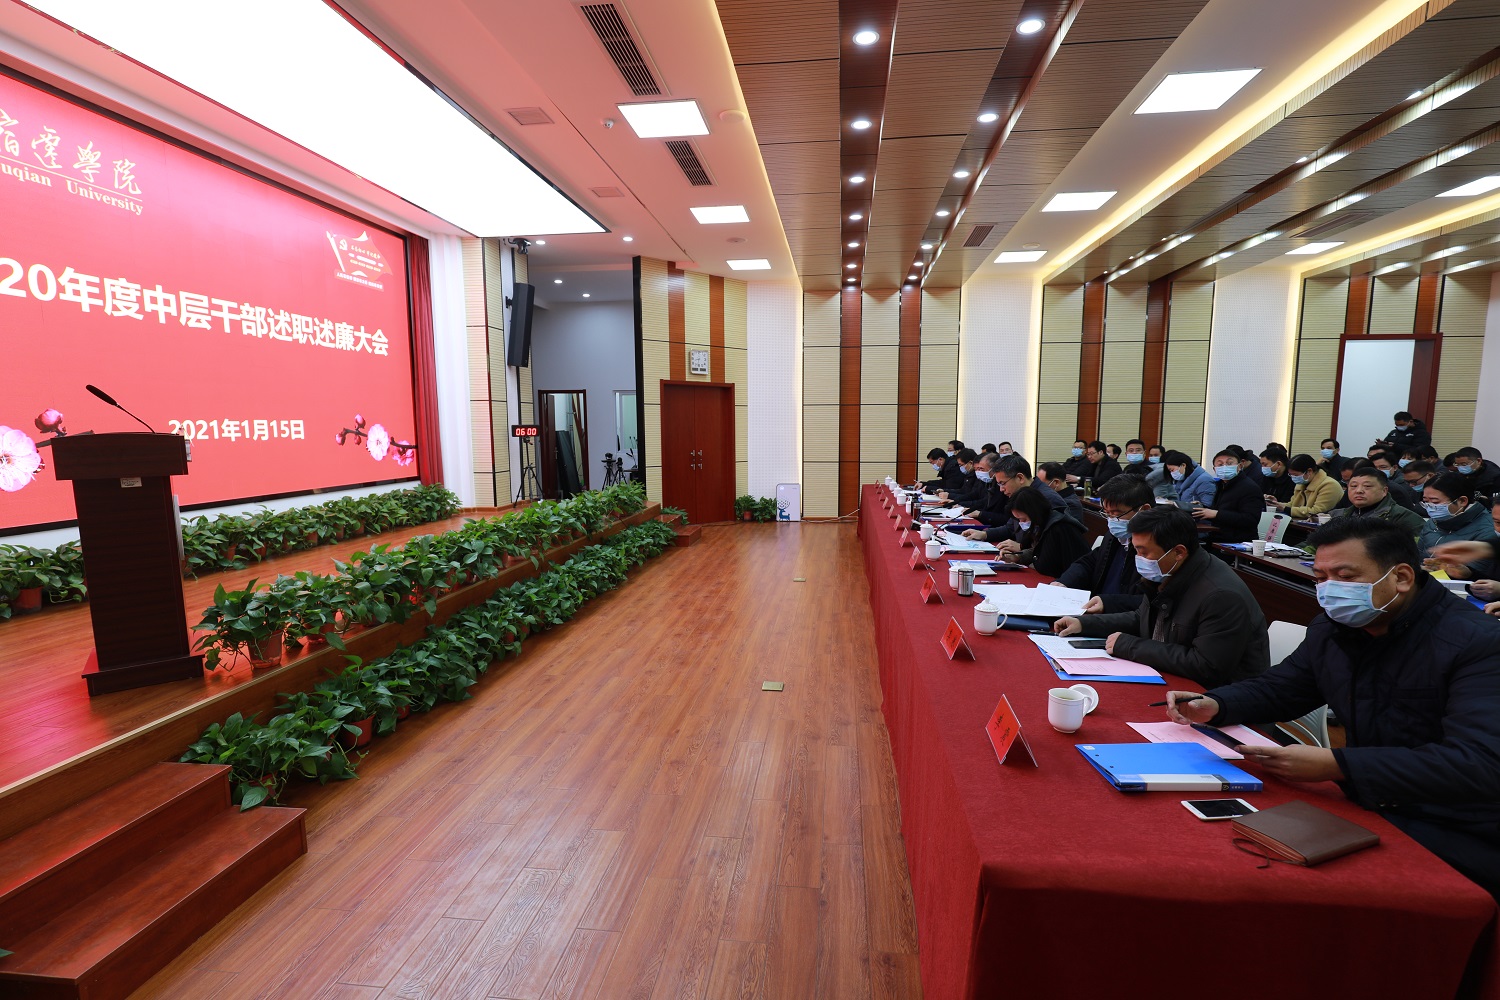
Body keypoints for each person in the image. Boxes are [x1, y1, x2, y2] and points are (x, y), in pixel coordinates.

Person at [1165, 517, 1500, 898]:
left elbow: (1480, 764)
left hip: (1456, 827)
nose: (1329, 590)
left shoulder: (1479, 644)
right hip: (1367, 801)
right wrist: (1217, 704)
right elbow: (1285, 687)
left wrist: (1338, 765)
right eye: (1321, 577)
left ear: (1401, 577)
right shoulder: (1334, 629)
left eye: (1344, 576)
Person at [1054, 507, 1269, 686]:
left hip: (1217, 700)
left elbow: (1206, 666)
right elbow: (1142, 618)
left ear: (1178, 552)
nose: (1139, 559)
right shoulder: (1169, 571)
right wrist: (1084, 624)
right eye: (1136, 551)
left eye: (1144, 552)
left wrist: (1130, 646)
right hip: (1171, 679)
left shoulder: (1221, 596)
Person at [1054, 473, 1150, 609]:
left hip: (1119, 615)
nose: (1111, 520)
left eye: (1117, 514)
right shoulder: (1114, 535)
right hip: (1098, 610)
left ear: (1144, 510)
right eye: (1107, 513)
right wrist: (1065, 582)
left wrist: (1107, 603)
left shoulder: (1156, 548)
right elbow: (1091, 561)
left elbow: (1152, 601)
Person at [995, 487, 1088, 577]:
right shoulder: (1042, 523)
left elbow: (1051, 560)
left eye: (1023, 519)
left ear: (1034, 512)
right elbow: (1039, 550)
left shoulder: (1059, 527)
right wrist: (1017, 557)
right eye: (1019, 520)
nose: (1021, 523)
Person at [1192, 448, 1264, 543]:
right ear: (1214, 469)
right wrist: (1203, 508)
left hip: (1239, 542)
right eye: (1220, 465)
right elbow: (1222, 510)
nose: (1225, 467)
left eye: (1229, 463)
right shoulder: (1221, 485)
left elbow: (1250, 520)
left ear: (1240, 466)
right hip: (1218, 536)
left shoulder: (1250, 488)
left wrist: (1216, 514)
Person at [1419, 472, 1498, 556]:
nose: (1430, 508)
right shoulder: (1432, 522)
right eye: (1426, 501)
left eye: (1435, 502)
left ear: (1462, 501)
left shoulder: (1488, 529)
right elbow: (1418, 554)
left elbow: (1479, 564)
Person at [1331, 466, 1425, 537]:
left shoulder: (1403, 518)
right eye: (1354, 486)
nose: (1359, 491)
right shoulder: (1338, 515)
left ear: (1384, 491)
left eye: (1367, 486)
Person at [1265, 454, 1343, 519]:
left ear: (1309, 471)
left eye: (1295, 475)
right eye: (1291, 475)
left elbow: (1317, 512)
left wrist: (1285, 509)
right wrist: (1276, 504)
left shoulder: (1330, 485)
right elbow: (1292, 504)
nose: (1293, 478)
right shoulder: (1301, 483)